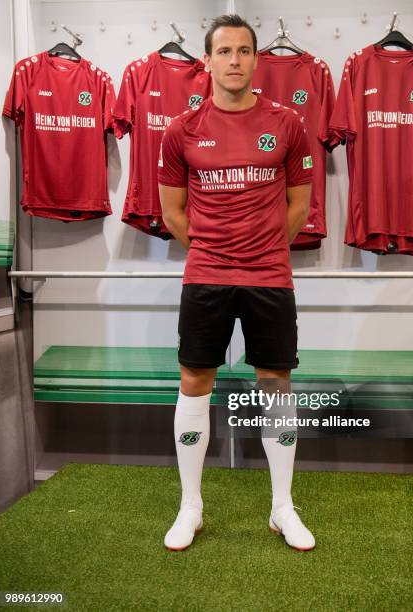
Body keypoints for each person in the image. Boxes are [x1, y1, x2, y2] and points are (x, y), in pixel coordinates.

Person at [158, 14, 315, 551]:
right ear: (207, 61)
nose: (234, 60)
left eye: (244, 51)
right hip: (206, 275)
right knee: (194, 382)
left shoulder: (287, 124)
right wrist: (214, 249)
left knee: (275, 383)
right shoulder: (182, 130)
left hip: (270, 275)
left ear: (256, 59)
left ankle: (282, 508)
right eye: (224, 51)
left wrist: (263, 247)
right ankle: (191, 507)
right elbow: (173, 213)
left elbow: (299, 205)